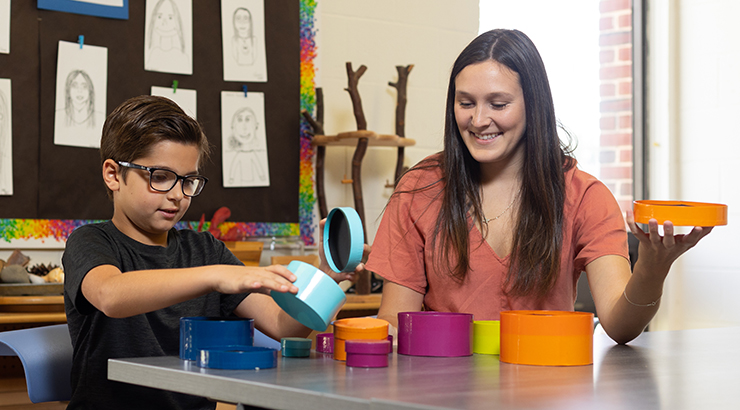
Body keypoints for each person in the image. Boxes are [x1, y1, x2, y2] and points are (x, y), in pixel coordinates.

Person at [366, 29, 712, 345]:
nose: (478, 120)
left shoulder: (585, 196)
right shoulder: (421, 188)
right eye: (466, 102)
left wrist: (653, 266)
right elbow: (396, 322)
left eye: (498, 104)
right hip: (440, 391)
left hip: (546, 386)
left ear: (534, 106)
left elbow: (620, 327)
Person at [62, 95, 356, 409]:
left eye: (188, 181)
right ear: (113, 174)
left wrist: (325, 277)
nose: (177, 195)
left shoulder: (205, 250)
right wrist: (216, 276)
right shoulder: (90, 241)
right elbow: (111, 296)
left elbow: (283, 326)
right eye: (160, 177)